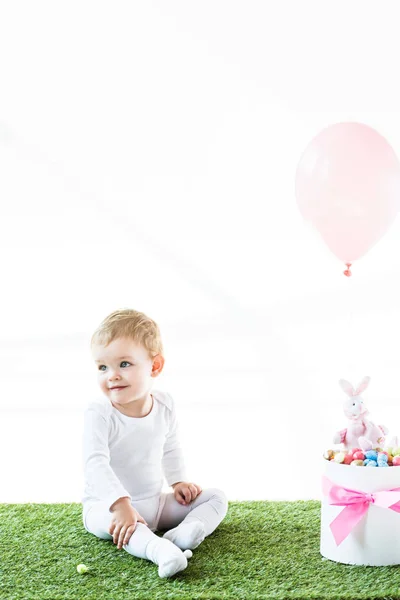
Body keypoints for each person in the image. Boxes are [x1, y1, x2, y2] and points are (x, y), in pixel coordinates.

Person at [82, 308, 228, 578]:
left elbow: (170, 445)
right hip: (106, 508)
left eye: (124, 364)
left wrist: (179, 482)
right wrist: (120, 505)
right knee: (125, 526)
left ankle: (187, 532)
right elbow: (95, 464)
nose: (111, 375)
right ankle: (160, 551)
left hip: (154, 505)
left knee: (216, 497)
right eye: (103, 367)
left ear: (155, 366)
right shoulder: (100, 412)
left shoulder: (164, 404)